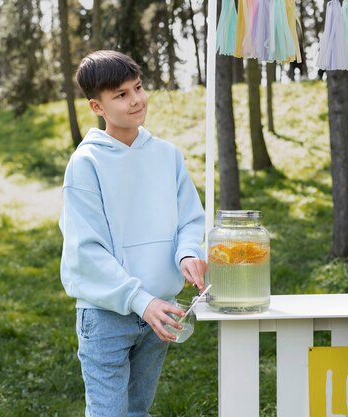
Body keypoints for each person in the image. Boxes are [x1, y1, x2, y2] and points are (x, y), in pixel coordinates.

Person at [59, 50, 208, 417]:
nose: (136, 99)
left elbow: (190, 218)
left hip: (162, 311)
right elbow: (86, 251)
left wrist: (188, 252)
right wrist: (141, 300)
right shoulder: (86, 164)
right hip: (107, 315)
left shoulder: (168, 155)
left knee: (136, 411)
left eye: (137, 87)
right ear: (97, 106)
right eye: (121, 94)